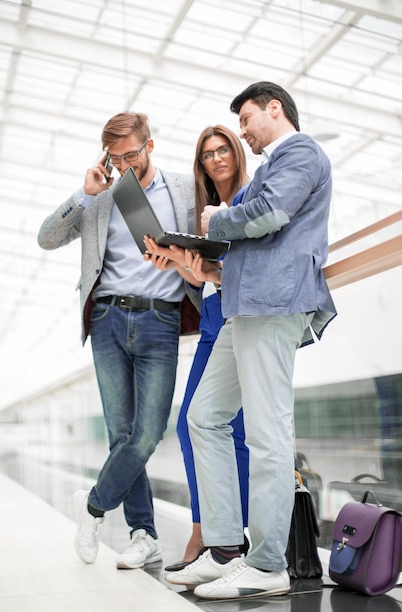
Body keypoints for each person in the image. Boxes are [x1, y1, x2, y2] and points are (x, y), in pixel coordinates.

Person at [166, 81, 337, 598]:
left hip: (273, 304)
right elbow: (256, 237)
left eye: (246, 119)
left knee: (266, 433)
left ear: (274, 109)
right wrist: (193, 260)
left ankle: (268, 565)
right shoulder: (271, 166)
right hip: (244, 308)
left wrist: (220, 218)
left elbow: (270, 216)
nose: (242, 131)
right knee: (203, 417)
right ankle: (223, 551)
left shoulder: (300, 152)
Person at [37, 112, 196, 569]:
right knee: (119, 434)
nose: (125, 165)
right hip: (107, 317)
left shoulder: (184, 189)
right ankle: (143, 533)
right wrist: (83, 194)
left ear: (151, 145)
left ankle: (92, 507)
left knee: (147, 433)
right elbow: (47, 239)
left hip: (161, 320)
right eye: (116, 157)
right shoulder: (100, 193)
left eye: (132, 155)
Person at [143, 125, 250, 572]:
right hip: (211, 318)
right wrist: (178, 264)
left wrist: (205, 271)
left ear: (236, 153)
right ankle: (210, 530)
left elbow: (243, 269)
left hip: (239, 316)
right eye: (208, 153)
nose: (217, 158)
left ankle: (228, 535)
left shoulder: (250, 199)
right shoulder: (203, 212)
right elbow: (202, 278)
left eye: (224, 149)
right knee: (196, 426)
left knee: (228, 430)